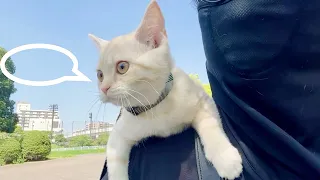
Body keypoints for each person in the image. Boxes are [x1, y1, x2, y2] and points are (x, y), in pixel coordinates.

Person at [100, 0, 320, 179]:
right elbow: (116, 145)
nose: (104, 86)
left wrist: (216, 145)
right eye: (100, 75)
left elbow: (201, 106)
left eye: (121, 67)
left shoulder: (181, 88)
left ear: (156, 41)